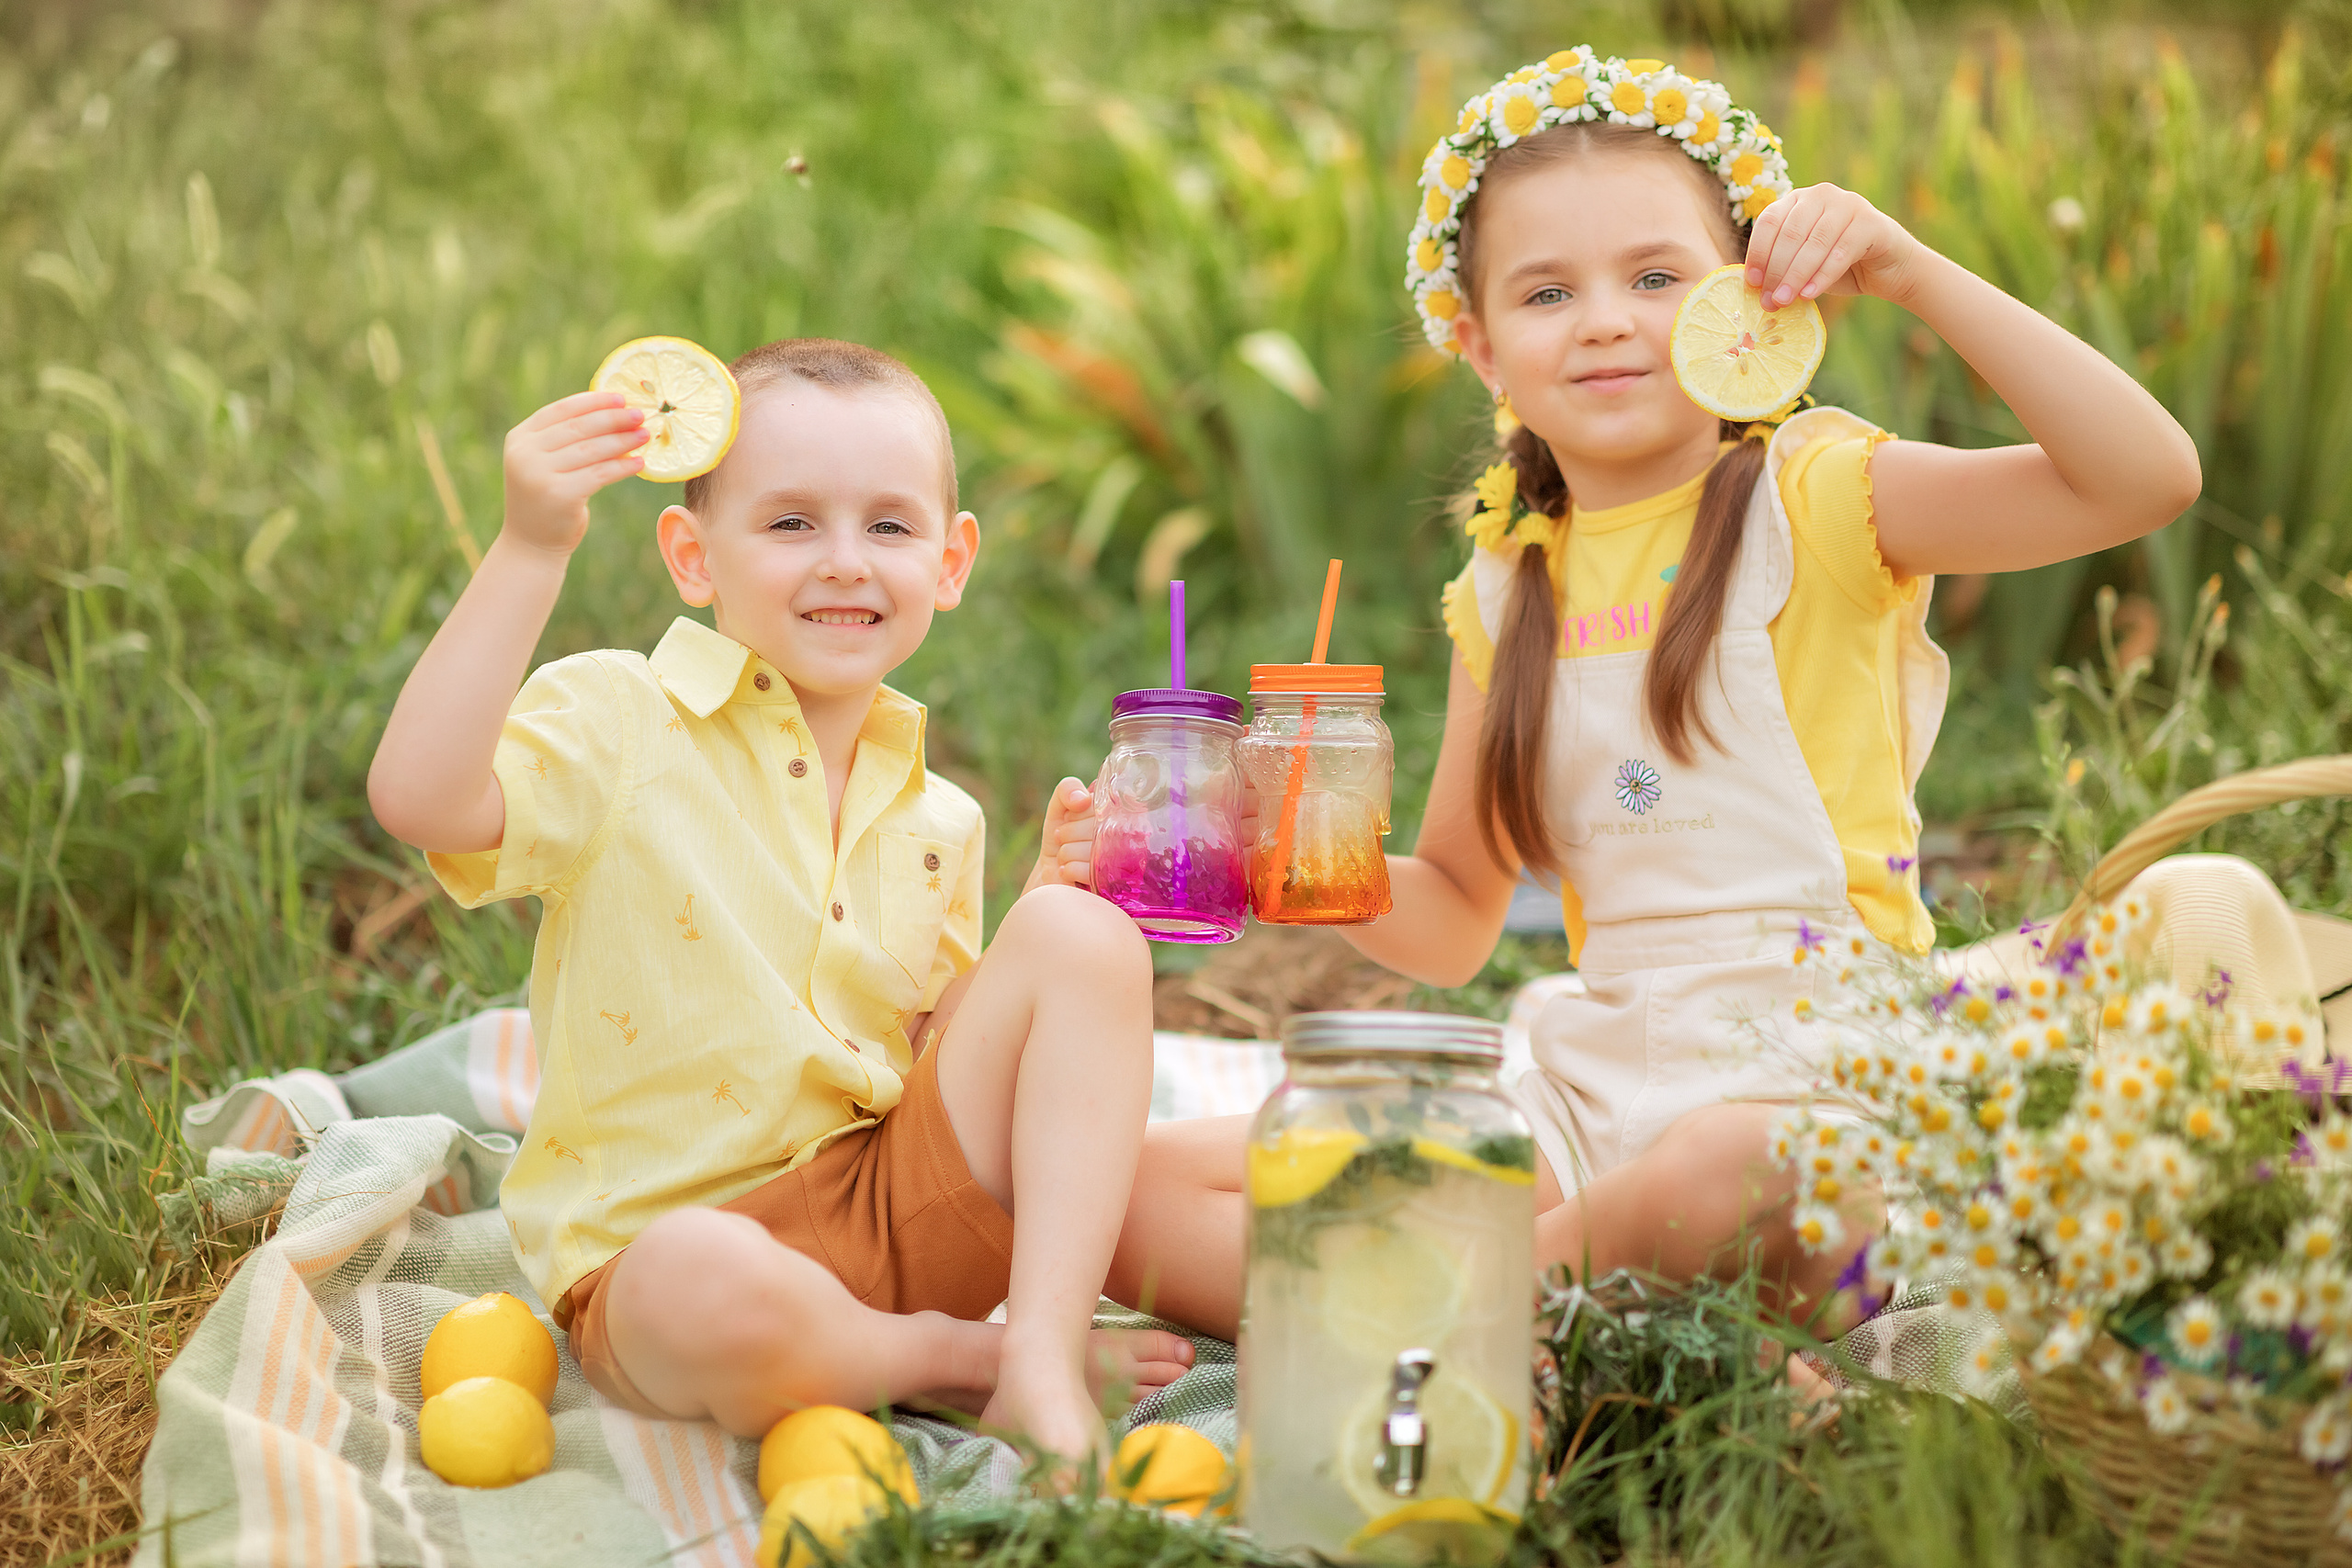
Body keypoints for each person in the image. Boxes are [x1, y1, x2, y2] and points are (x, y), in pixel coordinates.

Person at [1104, 48, 2202, 1344]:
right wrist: (1278, 856)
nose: (1608, 317)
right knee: (1131, 1178)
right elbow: (1459, 910)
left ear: (1746, 304)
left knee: (1743, 1175)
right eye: (1548, 291)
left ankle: (1428, 1313)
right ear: (1481, 346)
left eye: (1657, 276)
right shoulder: (1509, 578)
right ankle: (1543, 1301)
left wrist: (1908, 269)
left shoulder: (1822, 495)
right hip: (1589, 1079)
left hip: (1814, 1078)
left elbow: (2144, 477)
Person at [368, 337, 1192, 1463]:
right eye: (792, 523)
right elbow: (420, 798)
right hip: (675, 1257)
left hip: (891, 1210)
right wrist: (528, 547)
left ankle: (1041, 1359)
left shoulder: (936, 814)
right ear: (692, 556)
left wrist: (1042, 919)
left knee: (1083, 938)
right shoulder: (622, 720)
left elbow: (926, 1058)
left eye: (889, 527)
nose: (846, 562)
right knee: (693, 1280)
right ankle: (954, 1361)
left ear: (950, 565)